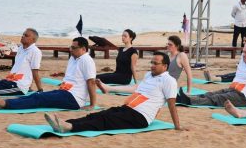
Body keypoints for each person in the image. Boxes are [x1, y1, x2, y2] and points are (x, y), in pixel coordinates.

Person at [44, 52, 185, 133]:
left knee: (105, 121)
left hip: (140, 117)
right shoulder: (149, 75)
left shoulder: (169, 81)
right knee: (98, 114)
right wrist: (108, 88)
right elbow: (135, 88)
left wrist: (177, 126)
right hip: (128, 108)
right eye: (152, 63)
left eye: (156, 63)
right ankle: (65, 122)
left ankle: (70, 127)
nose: (152, 66)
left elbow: (172, 106)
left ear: (165, 66)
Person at [0, 37, 97, 110]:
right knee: (37, 95)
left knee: (39, 99)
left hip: (74, 99)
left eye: (74, 48)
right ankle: (5, 102)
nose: (70, 49)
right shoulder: (74, 58)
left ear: (83, 49)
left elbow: (91, 82)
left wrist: (92, 105)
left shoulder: (86, 60)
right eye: (70, 47)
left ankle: (4, 105)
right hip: (66, 92)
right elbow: (72, 79)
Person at [177, 42, 246, 107]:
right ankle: (186, 98)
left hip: (242, 97)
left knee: (217, 98)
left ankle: (189, 101)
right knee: (211, 94)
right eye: (243, 52)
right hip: (233, 89)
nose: (243, 54)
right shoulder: (243, 60)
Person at [0, 28, 42, 95]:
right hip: (9, 82)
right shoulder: (20, 49)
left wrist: (40, 89)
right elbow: (22, 69)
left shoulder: (35, 51)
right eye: (23, 34)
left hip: (18, 86)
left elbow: (35, 72)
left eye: (26, 35)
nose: (23, 36)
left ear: (33, 40)